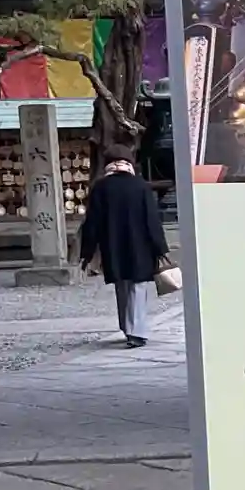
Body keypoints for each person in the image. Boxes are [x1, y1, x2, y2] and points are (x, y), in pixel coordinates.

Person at [80, 144, 168, 348]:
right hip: (140, 245)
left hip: (113, 246)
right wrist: (160, 247)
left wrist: (87, 252)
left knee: (122, 286)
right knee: (138, 287)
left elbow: (92, 222)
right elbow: (152, 220)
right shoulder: (140, 186)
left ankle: (127, 328)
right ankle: (136, 331)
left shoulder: (101, 187)